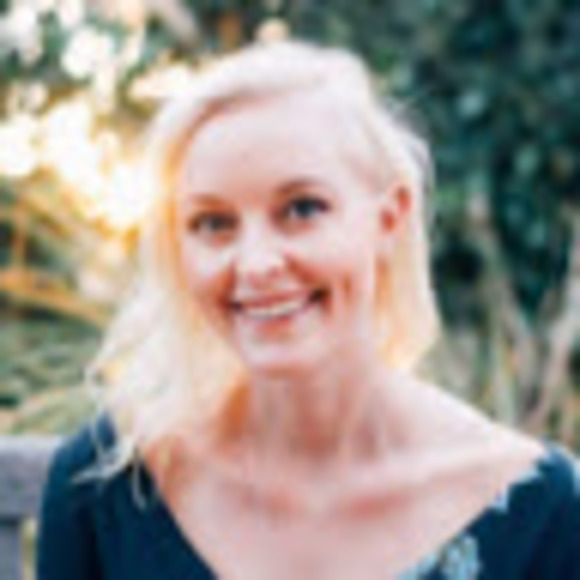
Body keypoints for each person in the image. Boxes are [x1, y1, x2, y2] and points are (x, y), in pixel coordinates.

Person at [36, 40, 580, 580]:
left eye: (301, 209)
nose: (255, 264)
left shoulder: (540, 511)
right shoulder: (106, 487)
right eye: (213, 223)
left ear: (388, 220)